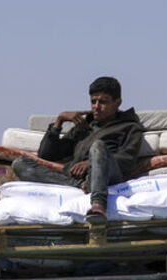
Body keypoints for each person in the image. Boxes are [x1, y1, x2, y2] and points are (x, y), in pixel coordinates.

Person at [11, 76, 146, 224]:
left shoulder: (130, 127)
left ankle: (98, 205)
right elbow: (47, 155)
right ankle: (82, 187)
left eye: (103, 102)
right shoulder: (84, 126)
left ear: (117, 103)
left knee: (98, 146)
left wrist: (91, 163)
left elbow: (127, 159)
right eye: (93, 101)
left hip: (107, 176)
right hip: (75, 180)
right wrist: (60, 120)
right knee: (20, 164)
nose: (96, 106)